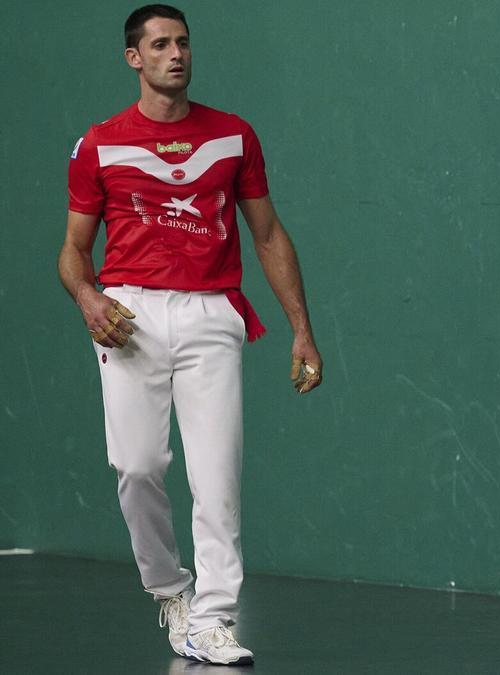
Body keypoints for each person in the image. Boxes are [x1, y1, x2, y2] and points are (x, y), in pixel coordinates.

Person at [57, 4, 323, 665]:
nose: (177, 53)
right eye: (161, 44)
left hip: (212, 314)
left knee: (217, 474)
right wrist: (89, 297)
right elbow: (72, 250)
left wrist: (301, 330)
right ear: (134, 58)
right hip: (130, 319)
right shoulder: (100, 144)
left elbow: (266, 234)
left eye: (183, 42)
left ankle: (213, 617)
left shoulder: (234, 136)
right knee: (138, 465)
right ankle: (170, 591)